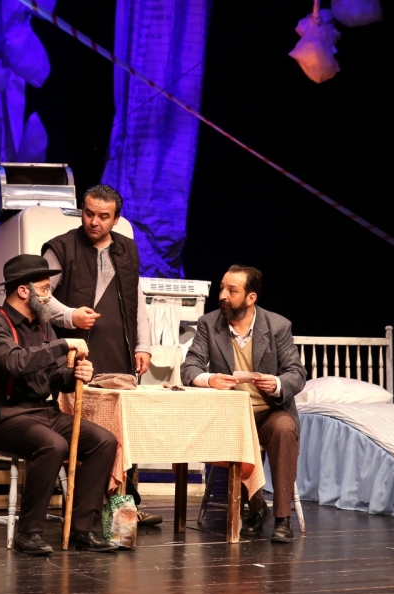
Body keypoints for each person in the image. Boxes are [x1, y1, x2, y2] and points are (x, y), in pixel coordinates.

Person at [0, 254, 119, 555]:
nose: (49, 297)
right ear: (23, 291)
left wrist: (75, 375)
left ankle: (82, 529)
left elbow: (52, 375)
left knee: (104, 441)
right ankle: (29, 532)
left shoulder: (42, 326)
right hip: (4, 416)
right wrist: (63, 344)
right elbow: (14, 363)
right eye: (44, 289)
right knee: (53, 445)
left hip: (42, 412)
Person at [41, 184, 161, 526]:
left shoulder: (126, 249)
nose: (94, 222)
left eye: (103, 216)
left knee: (123, 432)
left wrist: (143, 345)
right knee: (89, 432)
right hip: (75, 359)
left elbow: (137, 300)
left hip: (118, 353)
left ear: (116, 219)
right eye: (89, 213)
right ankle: (87, 510)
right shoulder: (61, 247)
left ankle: (123, 511)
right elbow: (39, 298)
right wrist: (70, 316)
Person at [180, 265, 306, 542]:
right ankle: (256, 508)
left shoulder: (277, 326)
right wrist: (209, 379)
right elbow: (189, 367)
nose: (223, 295)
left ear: (251, 298)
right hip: (231, 416)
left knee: (285, 429)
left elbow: (296, 373)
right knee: (238, 435)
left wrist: (277, 383)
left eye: (232, 291)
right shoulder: (209, 324)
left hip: (269, 413)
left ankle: (282, 519)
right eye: (222, 288)